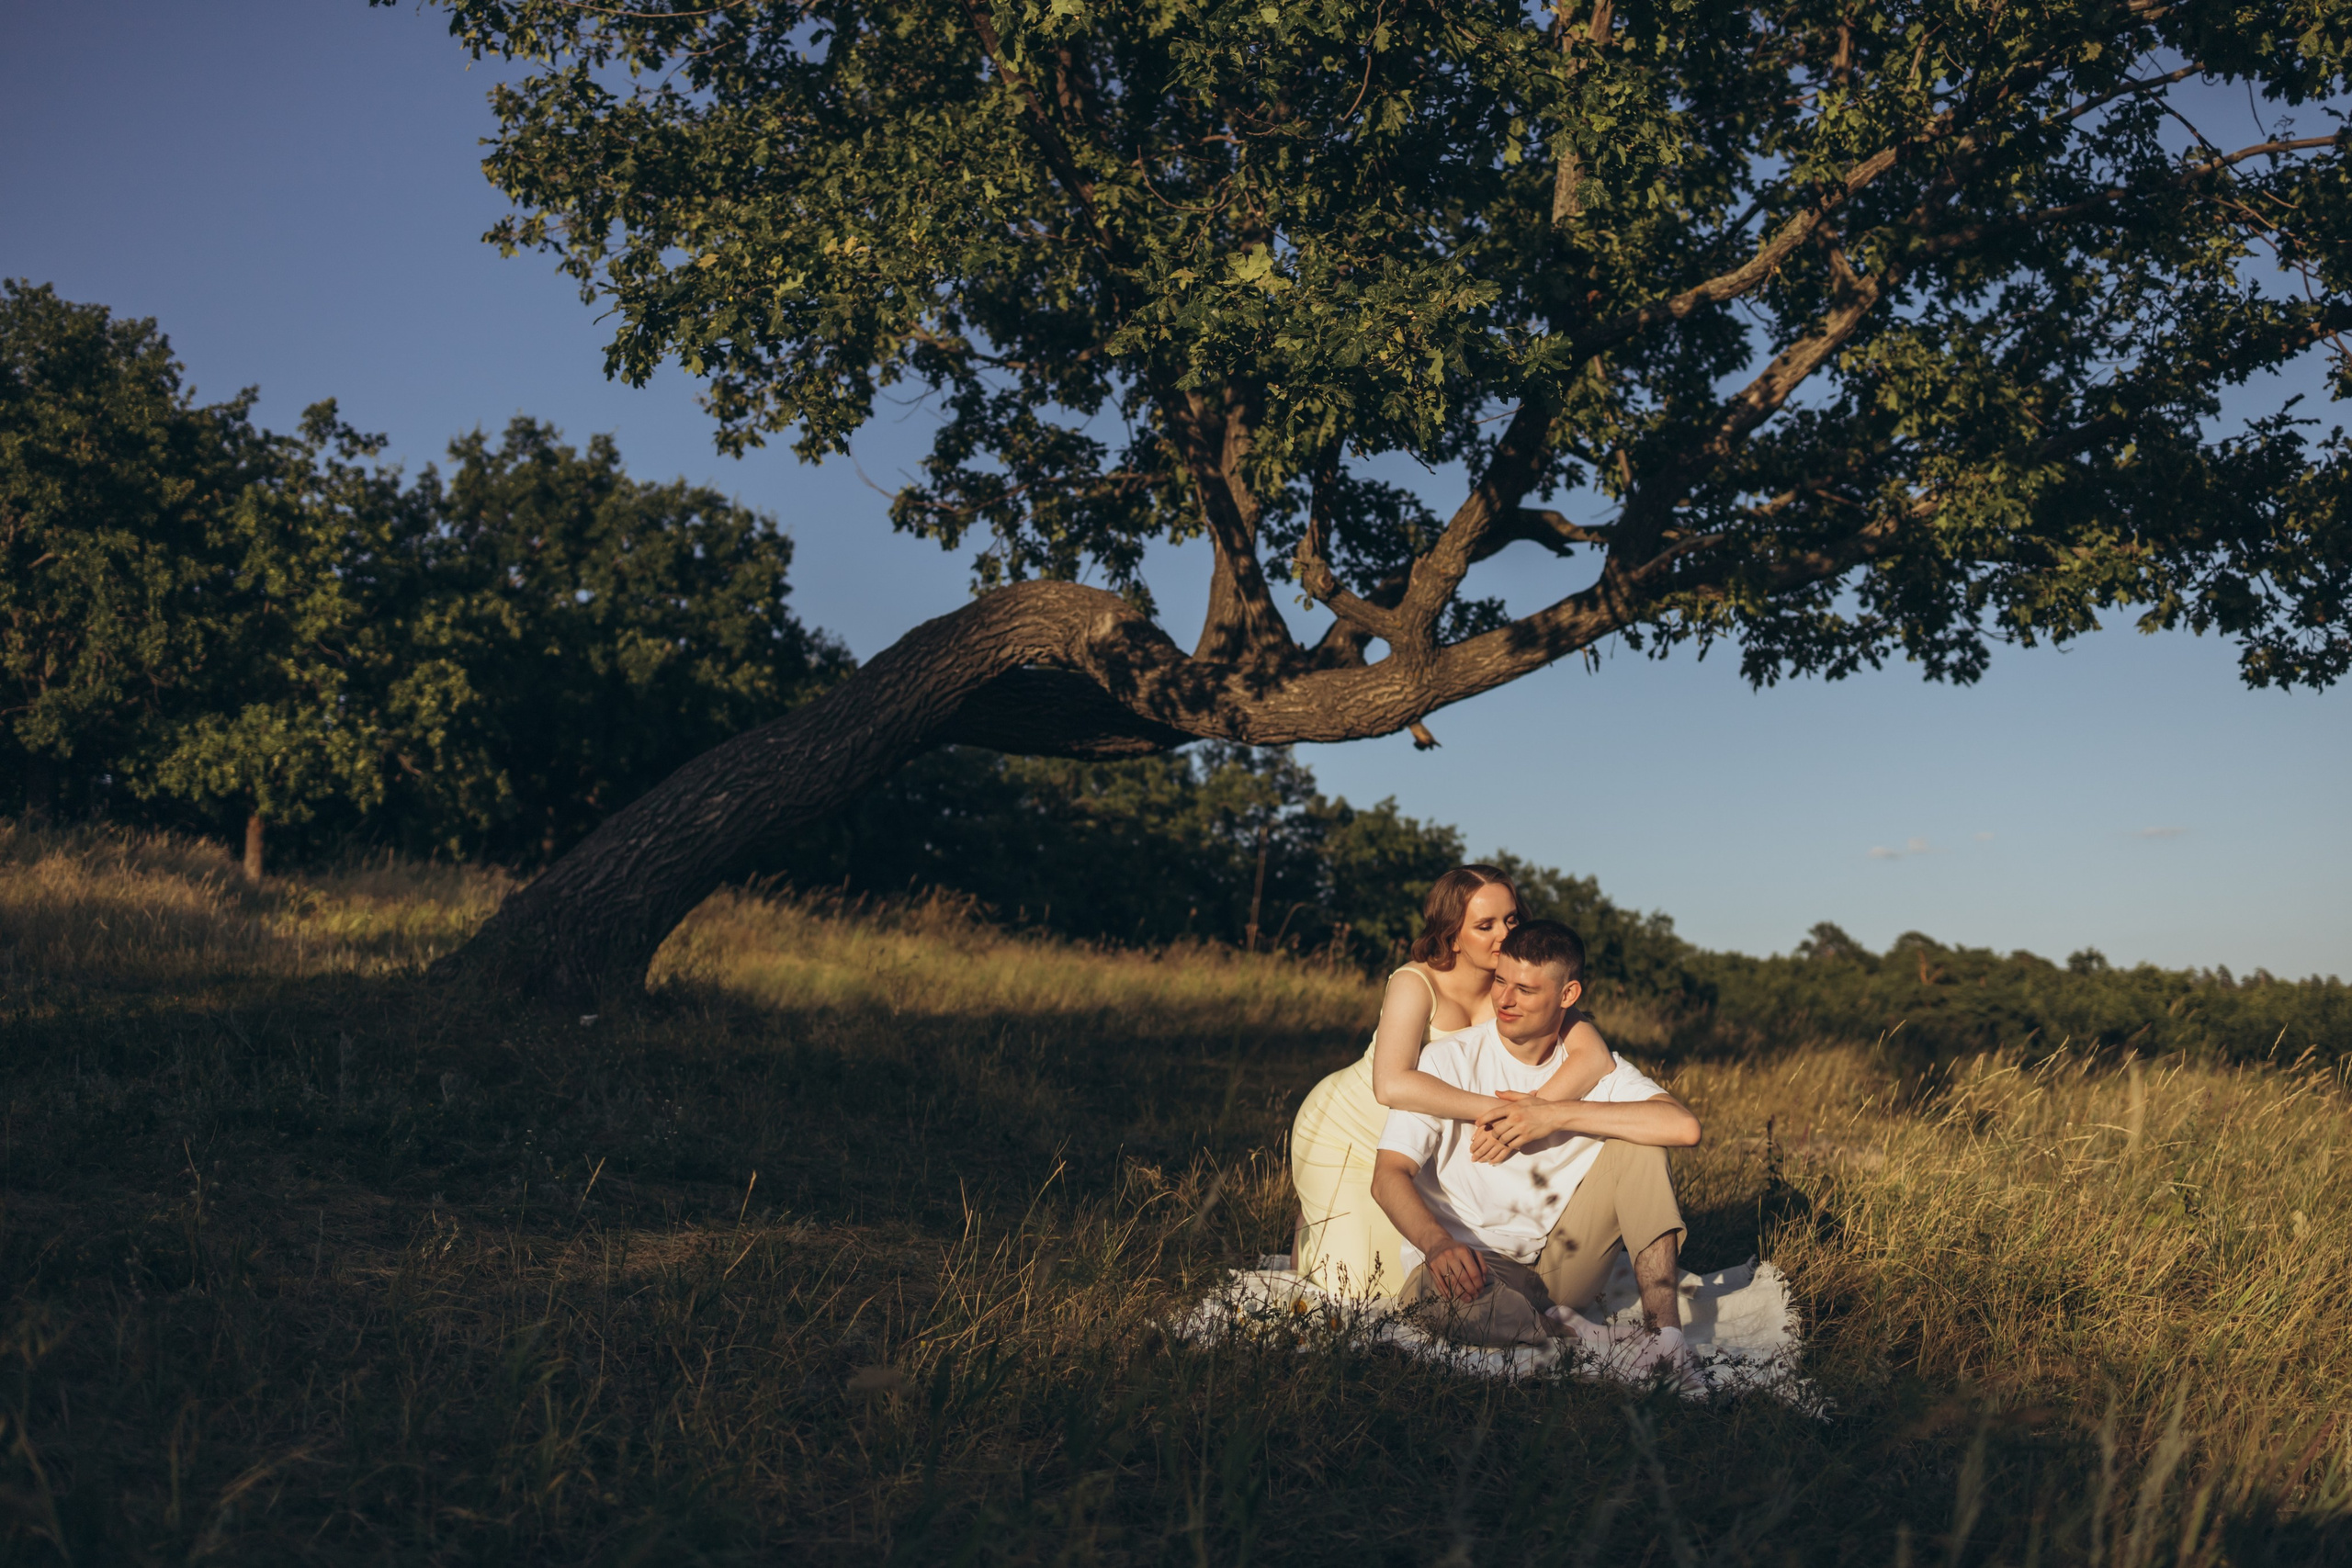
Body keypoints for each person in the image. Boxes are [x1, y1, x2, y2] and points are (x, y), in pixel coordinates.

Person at [1369, 919, 1704, 1380]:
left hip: (1563, 1263)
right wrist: (1437, 1244)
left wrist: (1552, 1113)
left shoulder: (1594, 1066)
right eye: (1500, 981)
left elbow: (1683, 1127)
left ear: (1568, 996)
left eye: (1525, 990)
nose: (1504, 1000)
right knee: (1431, 1301)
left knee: (1644, 1145)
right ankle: (1567, 1333)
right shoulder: (1448, 1061)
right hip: (1470, 1264)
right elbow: (1388, 1174)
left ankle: (1665, 1339)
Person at [1288, 868, 1616, 1296]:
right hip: (1349, 1130)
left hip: (1420, 1149)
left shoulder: (1521, 986)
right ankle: (1314, 1213)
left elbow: (1594, 1058)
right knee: (1357, 1291)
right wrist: (1500, 1114)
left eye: (1511, 920)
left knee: (1416, 1284)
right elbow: (1390, 1085)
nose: (1504, 934)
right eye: (1485, 925)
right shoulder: (1415, 981)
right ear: (1452, 935)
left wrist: (1531, 1113)